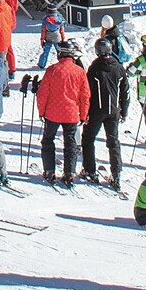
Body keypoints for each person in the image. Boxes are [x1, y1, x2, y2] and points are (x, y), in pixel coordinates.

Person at [36, 41, 88, 189]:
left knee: (48, 141)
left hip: (52, 113)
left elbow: (43, 93)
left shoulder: (52, 70)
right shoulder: (79, 72)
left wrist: (41, 111)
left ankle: (49, 170)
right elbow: (85, 96)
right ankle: (69, 172)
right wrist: (83, 115)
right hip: (71, 113)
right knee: (70, 143)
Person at [83, 35, 129, 189]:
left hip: (97, 109)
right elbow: (125, 91)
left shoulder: (95, 67)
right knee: (113, 141)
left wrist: (85, 112)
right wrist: (124, 110)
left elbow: (87, 91)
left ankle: (90, 170)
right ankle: (116, 174)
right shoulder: (118, 67)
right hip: (114, 110)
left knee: (88, 138)